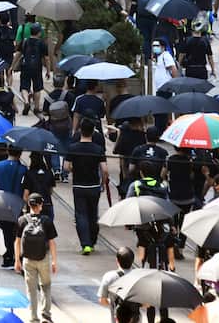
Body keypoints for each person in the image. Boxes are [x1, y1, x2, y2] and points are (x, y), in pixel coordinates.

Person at [66, 117, 108, 255]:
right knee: (92, 214)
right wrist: (103, 182)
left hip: (78, 185)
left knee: (81, 215)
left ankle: (86, 244)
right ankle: (93, 240)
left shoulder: (73, 148)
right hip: (94, 186)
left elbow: (66, 167)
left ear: (80, 131)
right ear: (93, 132)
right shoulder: (98, 149)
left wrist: (75, 169)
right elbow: (105, 169)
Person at [15, 193, 57, 323]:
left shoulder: (22, 220)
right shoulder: (47, 221)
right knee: (46, 286)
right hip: (43, 258)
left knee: (31, 289)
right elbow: (51, 242)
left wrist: (17, 260)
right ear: (40, 205)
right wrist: (54, 261)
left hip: (28, 259)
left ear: (29, 205)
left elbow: (17, 242)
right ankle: (46, 314)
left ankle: (33, 317)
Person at [98, 247, 137, 323]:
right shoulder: (139, 277)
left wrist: (113, 304)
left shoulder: (109, 276)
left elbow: (102, 301)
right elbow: (147, 304)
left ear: (117, 261)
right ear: (132, 261)